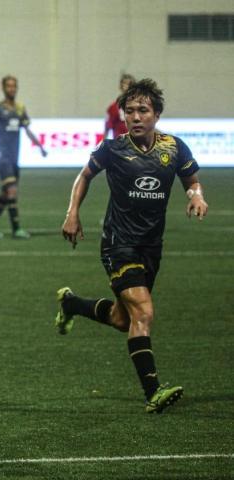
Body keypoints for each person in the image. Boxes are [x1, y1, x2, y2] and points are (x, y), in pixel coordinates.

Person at [56, 78, 208, 413]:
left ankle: (71, 304)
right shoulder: (113, 149)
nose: (136, 116)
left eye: (143, 110)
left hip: (151, 247)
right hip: (118, 244)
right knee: (144, 312)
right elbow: (84, 176)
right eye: (130, 111)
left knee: (123, 320)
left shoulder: (174, 148)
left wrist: (196, 197)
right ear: (123, 116)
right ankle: (153, 392)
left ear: (156, 115)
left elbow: (192, 181)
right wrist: (72, 213)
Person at [0, 75, 48, 239]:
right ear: (3, 88)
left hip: (14, 157)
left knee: (7, 194)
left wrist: (40, 147)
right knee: (12, 189)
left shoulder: (20, 109)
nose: (11, 89)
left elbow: (27, 131)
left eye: (14, 86)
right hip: (1, 155)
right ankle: (16, 229)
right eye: (9, 86)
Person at [103, 73, 135, 140]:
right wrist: (104, 142)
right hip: (120, 145)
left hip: (136, 144)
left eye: (130, 84)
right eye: (124, 84)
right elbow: (107, 127)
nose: (127, 86)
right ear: (120, 86)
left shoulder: (141, 107)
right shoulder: (113, 107)